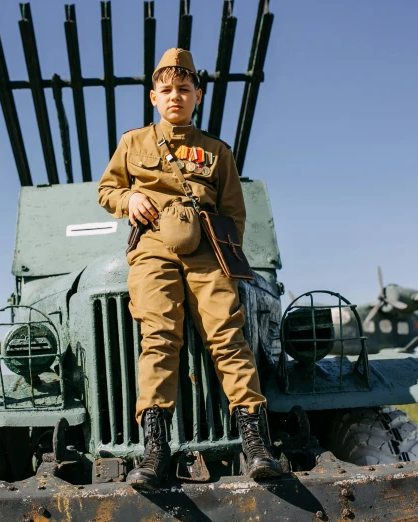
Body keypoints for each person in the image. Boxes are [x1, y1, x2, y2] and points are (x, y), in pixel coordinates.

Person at [98, 48, 281, 490]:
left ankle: (255, 445)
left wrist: (222, 252)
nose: (175, 96)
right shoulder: (133, 143)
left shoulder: (217, 151)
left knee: (227, 335)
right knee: (158, 337)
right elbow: (107, 190)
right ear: (153, 97)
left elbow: (235, 213)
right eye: (166, 90)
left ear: (197, 95)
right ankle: (156, 452)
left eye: (183, 89)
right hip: (153, 249)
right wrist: (129, 200)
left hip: (206, 252)